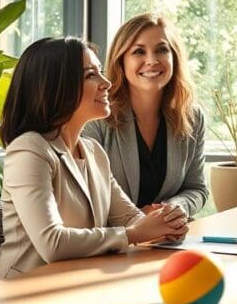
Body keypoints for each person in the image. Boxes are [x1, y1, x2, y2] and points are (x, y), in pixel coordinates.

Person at [0, 37, 187, 281]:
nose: (106, 83)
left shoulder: (93, 151)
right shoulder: (29, 150)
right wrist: (134, 234)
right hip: (19, 293)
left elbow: (129, 218)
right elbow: (53, 243)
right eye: (90, 75)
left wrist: (166, 223)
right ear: (56, 86)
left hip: (75, 282)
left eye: (100, 73)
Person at [83, 14, 208, 218]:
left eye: (162, 50)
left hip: (167, 238)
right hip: (114, 240)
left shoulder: (192, 117)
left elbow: (197, 188)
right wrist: (141, 221)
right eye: (139, 51)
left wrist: (174, 207)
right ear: (121, 61)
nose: (151, 61)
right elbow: (88, 196)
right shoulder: (97, 116)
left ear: (174, 58)